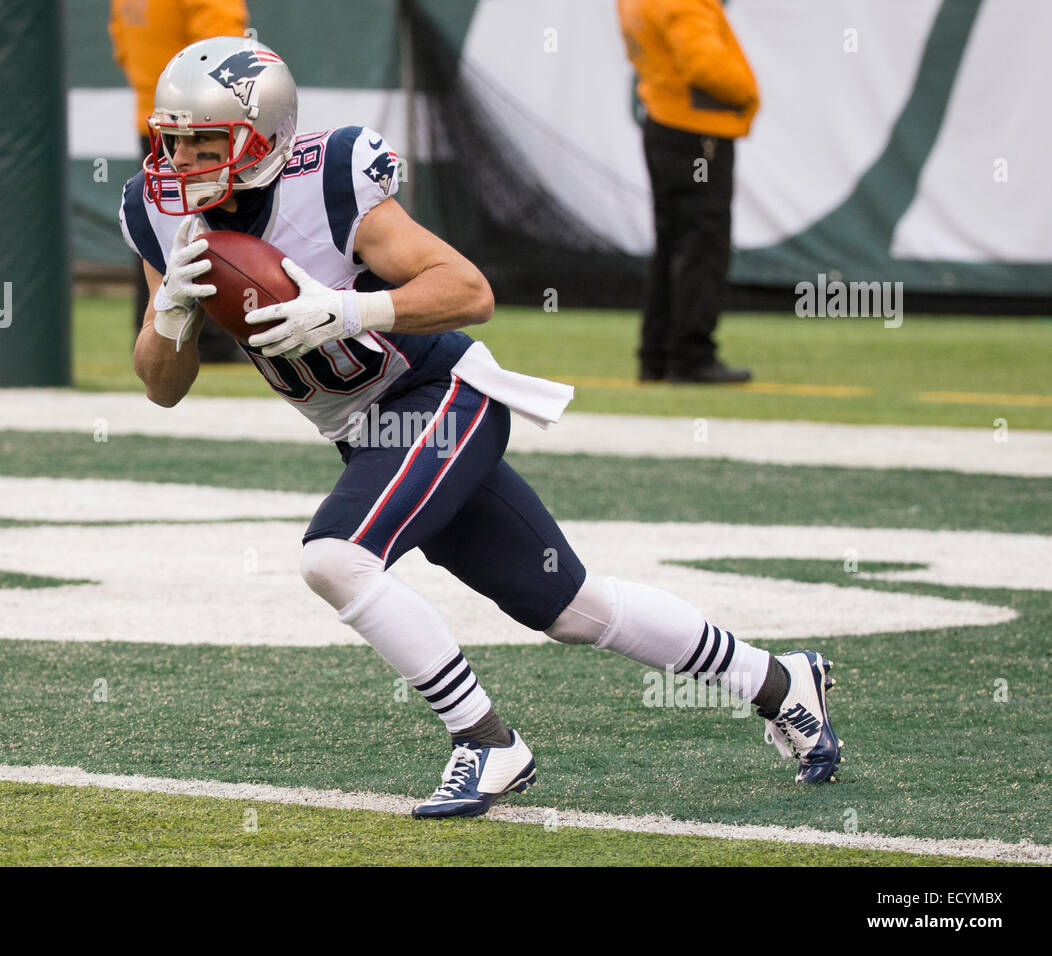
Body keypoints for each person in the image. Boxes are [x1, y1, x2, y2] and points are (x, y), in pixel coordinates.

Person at [120, 36, 841, 817]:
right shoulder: (154, 209)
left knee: (336, 557)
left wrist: (354, 308)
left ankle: (487, 742)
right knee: (571, 607)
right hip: (367, 431)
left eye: (206, 141)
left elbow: (468, 290)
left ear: (267, 138)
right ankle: (778, 680)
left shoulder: (328, 180)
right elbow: (162, 387)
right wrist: (172, 314)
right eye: (175, 138)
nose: (183, 160)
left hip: (440, 393)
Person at [618, 0, 756, 384]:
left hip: (663, 123)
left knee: (672, 245)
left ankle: (657, 355)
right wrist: (748, 93)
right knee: (702, 242)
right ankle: (692, 356)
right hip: (697, 131)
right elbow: (704, 64)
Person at [109, 0, 248, 362]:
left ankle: (153, 330)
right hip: (204, 122)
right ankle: (214, 340)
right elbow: (224, 49)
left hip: (154, 115)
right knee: (218, 224)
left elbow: (121, 45)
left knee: (158, 227)